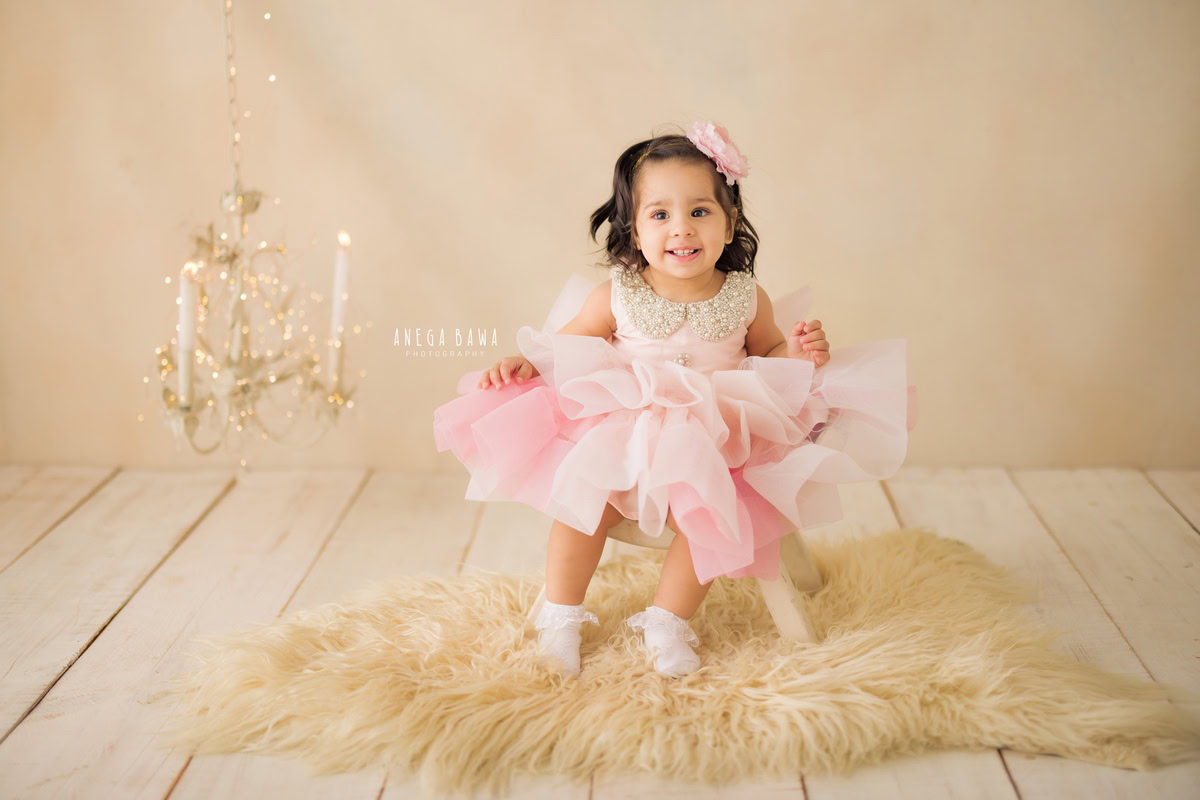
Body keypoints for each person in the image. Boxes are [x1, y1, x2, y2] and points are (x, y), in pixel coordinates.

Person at [433, 121, 917, 679]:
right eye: (659, 214)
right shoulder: (616, 293)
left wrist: (802, 354)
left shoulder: (746, 296)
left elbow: (771, 352)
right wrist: (527, 363)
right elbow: (565, 347)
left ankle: (667, 620)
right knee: (586, 504)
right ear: (634, 232)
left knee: (712, 510)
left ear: (730, 221)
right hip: (625, 430)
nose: (681, 229)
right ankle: (562, 615)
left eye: (700, 211)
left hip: (718, 436)